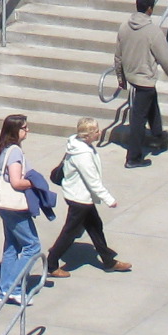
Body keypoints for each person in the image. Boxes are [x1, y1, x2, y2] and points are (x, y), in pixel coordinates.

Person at [46, 118, 131, 277]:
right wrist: (109, 199)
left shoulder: (78, 145)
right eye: (96, 131)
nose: (99, 133)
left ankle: (108, 261)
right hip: (80, 199)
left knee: (95, 227)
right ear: (88, 135)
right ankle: (51, 264)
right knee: (70, 232)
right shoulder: (83, 154)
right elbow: (92, 181)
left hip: (81, 197)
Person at [114, 0, 168, 167]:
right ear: (150, 9)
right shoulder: (153, 31)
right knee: (138, 119)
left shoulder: (124, 27)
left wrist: (121, 78)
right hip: (145, 78)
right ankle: (133, 158)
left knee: (151, 100)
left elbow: (118, 56)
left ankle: (157, 134)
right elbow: (164, 58)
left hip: (131, 75)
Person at [0, 112, 42, 304]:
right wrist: (33, 183)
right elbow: (16, 182)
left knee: (12, 246)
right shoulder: (14, 151)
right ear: (15, 130)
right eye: (24, 127)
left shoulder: (4, 149)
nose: (27, 130)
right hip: (15, 207)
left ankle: (5, 289)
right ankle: (11, 288)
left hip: (5, 206)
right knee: (33, 246)